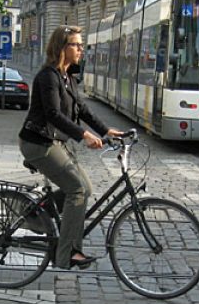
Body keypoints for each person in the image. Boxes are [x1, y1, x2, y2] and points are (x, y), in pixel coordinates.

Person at [18, 25, 123, 269]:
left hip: (55, 141)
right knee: (76, 189)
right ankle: (68, 254)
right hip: (38, 142)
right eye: (75, 44)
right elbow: (53, 114)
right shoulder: (48, 76)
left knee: (84, 189)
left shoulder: (68, 77)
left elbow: (83, 109)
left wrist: (105, 130)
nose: (80, 49)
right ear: (61, 48)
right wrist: (84, 135)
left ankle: (38, 211)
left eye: (80, 44)